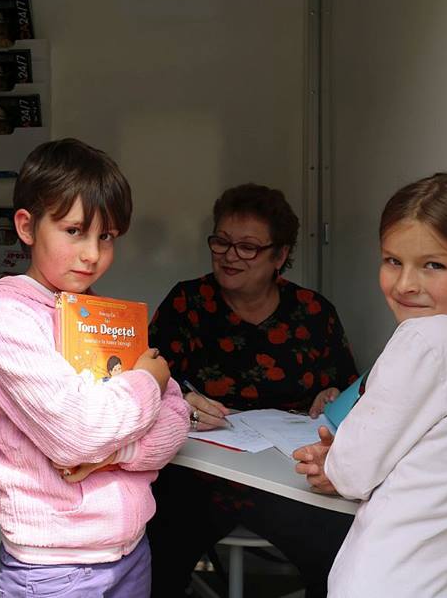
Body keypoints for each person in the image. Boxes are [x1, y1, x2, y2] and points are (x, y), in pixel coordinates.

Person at [0, 138, 191, 597]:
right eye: (74, 231)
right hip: (55, 569)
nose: (92, 254)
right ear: (27, 227)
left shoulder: (105, 317)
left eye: (106, 237)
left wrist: (114, 454)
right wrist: (148, 381)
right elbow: (78, 434)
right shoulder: (6, 317)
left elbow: (176, 420)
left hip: (131, 551)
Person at [293, 172, 447, 597]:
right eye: (393, 261)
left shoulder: (425, 339)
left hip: (394, 579)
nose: (405, 284)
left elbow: (351, 473)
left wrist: (334, 462)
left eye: (434, 265)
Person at [146, 183, 359, 597]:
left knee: (341, 554)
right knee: (158, 551)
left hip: (288, 474)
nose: (229, 256)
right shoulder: (187, 302)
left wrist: (332, 395)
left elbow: (349, 391)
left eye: (247, 247)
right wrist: (183, 402)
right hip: (200, 471)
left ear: (279, 255)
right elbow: (147, 382)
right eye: (222, 242)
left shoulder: (313, 312)